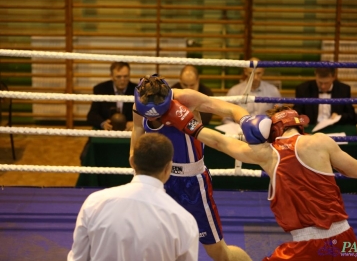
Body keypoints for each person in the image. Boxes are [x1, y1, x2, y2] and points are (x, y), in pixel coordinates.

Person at [161, 104, 357, 260]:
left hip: (306, 246)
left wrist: (183, 119)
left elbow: (219, 141)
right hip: (345, 238)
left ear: (272, 130)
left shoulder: (269, 154)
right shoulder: (321, 141)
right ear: (299, 124)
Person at [130, 74, 268, 261]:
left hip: (192, 184)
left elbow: (229, 108)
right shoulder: (140, 104)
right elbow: (138, 130)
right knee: (158, 246)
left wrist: (244, 119)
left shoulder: (186, 99)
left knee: (219, 253)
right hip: (159, 181)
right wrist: (134, 161)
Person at [68, 133, 199, 261]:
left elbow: (78, 258)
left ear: (132, 162)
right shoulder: (183, 220)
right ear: (168, 168)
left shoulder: (95, 203)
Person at [223, 57, 281, 123]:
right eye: (251, 73)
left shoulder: (273, 91)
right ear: (245, 72)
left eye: (258, 73)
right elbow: (226, 118)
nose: (255, 77)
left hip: (266, 130)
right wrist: (237, 130)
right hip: (240, 130)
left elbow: (280, 115)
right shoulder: (234, 91)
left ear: (263, 71)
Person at [86, 62, 137, 131]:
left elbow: (145, 114)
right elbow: (92, 115)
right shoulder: (100, 89)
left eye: (125, 76)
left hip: (130, 132)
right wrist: (103, 123)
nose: (122, 80)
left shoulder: (137, 90)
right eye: (118, 77)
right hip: (108, 132)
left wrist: (135, 123)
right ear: (111, 76)